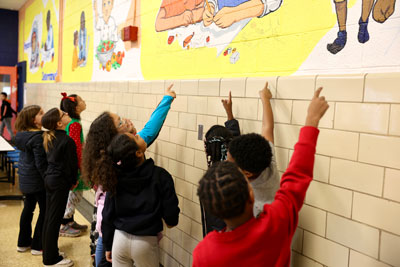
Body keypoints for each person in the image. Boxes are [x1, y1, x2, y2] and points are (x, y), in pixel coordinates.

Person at [193, 87, 329, 266]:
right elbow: (297, 173)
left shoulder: (205, 252)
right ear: (249, 193)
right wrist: (312, 120)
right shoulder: (277, 220)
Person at [81, 85, 176, 267]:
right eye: (120, 123)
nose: (126, 121)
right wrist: (167, 99)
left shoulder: (107, 156)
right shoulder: (128, 159)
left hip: (113, 228)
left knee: (103, 247)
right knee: (103, 250)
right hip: (118, 228)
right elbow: (150, 130)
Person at [101, 133, 180, 267]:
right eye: (136, 137)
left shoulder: (115, 176)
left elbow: (107, 214)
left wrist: (108, 245)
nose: (138, 134)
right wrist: (170, 220)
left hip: (119, 239)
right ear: (138, 153)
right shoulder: (160, 176)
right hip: (145, 242)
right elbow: (171, 217)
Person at [227, 82, 279, 217]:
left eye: (230, 164)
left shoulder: (255, 210)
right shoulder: (268, 164)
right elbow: (267, 127)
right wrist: (265, 99)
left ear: (247, 173)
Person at [41, 108, 78, 267]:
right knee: (54, 220)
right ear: (59, 123)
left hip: (50, 179)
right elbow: (72, 165)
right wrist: (73, 181)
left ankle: (50, 251)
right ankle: (50, 259)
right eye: (64, 114)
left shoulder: (49, 138)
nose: (67, 114)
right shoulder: (67, 140)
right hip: (60, 182)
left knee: (49, 218)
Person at [201, 91, 240, 236]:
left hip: (214, 240)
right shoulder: (235, 174)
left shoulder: (210, 177)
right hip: (228, 241)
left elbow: (232, 138)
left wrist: (229, 113)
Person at [15, 105, 47, 256]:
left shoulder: (22, 135)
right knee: (45, 211)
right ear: (34, 121)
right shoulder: (38, 138)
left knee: (28, 209)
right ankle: (37, 245)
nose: (45, 114)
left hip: (26, 179)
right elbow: (40, 164)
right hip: (37, 181)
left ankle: (23, 242)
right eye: (41, 113)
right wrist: (48, 180)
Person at [59, 92, 88, 237]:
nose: (84, 101)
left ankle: (69, 220)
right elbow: (76, 147)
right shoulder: (75, 124)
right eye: (81, 100)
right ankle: (64, 224)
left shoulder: (71, 122)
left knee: (74, 194)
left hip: (71, 165)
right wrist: (81, 167)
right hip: (75, 166)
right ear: (75, 107)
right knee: (75, 194)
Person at [203, 0, 282, 28]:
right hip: (217, 29)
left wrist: (236, 13)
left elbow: (273, 2)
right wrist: (210, 6)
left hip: (247, 27)